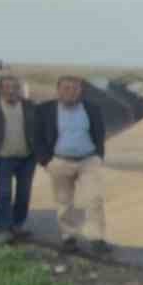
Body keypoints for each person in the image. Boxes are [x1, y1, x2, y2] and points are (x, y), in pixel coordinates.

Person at [32, 75, 110, 255]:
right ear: (58, 90)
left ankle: (97, 238)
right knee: (64, 202)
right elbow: (36, 137)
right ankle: (69, 237)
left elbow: (99, 133)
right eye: (66, 88)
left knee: (94, 199)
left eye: (75, 88)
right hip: (60, 162)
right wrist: (46, 162)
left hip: (88, 161)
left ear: (80, 91)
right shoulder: (44, 110)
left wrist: (98, 156)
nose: (70, 92)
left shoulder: (92, 109)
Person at [0, 75, 38, 246]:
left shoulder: (30, 106)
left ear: (19, 89)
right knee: (4, 194)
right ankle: (3, 229)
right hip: (3, 158)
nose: (11, 91)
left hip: (27, 158)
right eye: (6, 87)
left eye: (14, 87)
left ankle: (17, 226)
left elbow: (40, 128)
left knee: (23, 194)